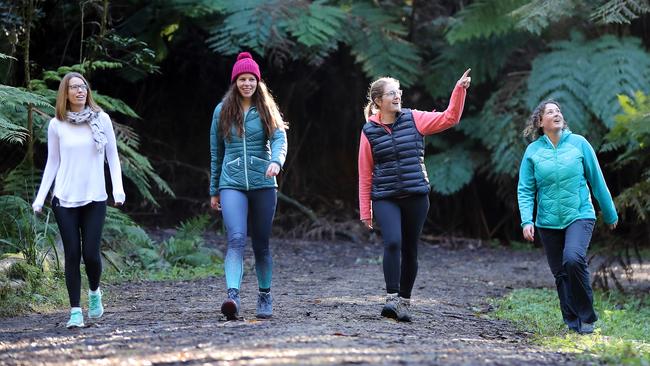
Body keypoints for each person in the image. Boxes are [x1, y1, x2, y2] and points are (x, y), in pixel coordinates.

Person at [358, 69, 471, 321]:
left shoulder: (415, 118)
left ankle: (405, 303)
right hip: (385, 196)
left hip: (416, 196)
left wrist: (459, 89)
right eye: (391, 93)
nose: (397, 96)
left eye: (398, 92)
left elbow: (450, 118)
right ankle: (391, 298)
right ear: (378, 101)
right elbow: (365, 173)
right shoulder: (369, 131)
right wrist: (366, 210)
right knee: (393, 242)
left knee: (410, 248)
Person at [32, 72, 125, 329]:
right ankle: (75, 311)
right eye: (73, 87)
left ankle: (94, 292)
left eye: (82, 87)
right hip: (64, 198)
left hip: (95, 197)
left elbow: (112, 157)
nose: (79, 91)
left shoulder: (101, 119)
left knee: (91, 255)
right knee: (72, 254)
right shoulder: (57, 124)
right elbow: (53, 163)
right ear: (66, 93)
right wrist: (41, 198)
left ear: (87, 91)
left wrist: (117, 188)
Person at [517, 100, 618, 334]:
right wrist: (526, 220)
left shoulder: (579, 144)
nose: (556, 114)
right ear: (540, 122)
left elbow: (597, 180)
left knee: (573, 259)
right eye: (550, 112)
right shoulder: (533, 151)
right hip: (547, 221)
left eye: (558, 111)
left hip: (579, 214)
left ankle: (587, 318)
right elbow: (525, 189)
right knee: (561, 273)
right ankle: (572, 321)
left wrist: (610, 211)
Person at [209, 52, 288, 320]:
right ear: (235, 82)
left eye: (251, 79)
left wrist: (276, 161)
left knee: (261, 244)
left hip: (263, 183)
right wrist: (214, 189)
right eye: (242, 79)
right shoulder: (222, 111)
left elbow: (279, 139)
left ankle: (265, 294)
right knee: (236, 238)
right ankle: (232, 296)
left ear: (257, 81)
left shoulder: (267, 108)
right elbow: (215, 153)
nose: (247, 83)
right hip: (231, 184)